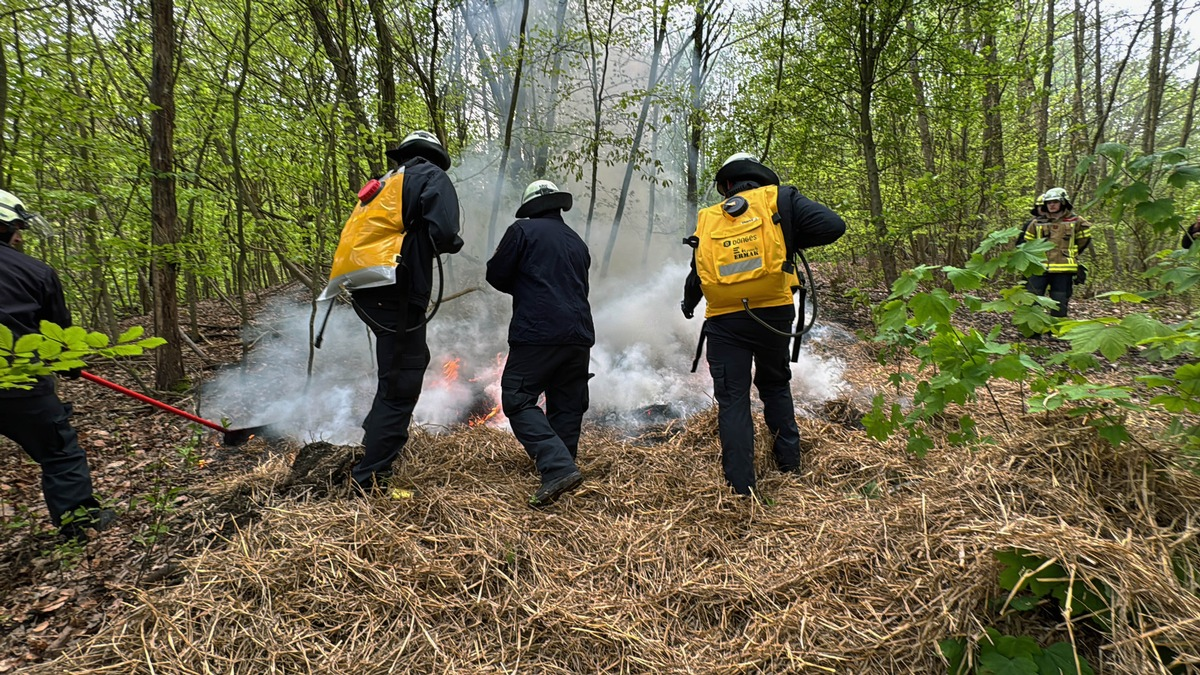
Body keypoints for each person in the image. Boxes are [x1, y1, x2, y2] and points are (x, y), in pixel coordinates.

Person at [681, 154, 846, 499]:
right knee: (774, 385)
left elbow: (698, 272)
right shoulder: (781, 200)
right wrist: (790, 238)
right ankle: (789, 466)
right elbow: (834, 226)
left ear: (726, 185)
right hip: (774, 313)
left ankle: (741, 489)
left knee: (733, 401)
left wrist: (688, 304)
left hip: (724, 320)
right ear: (760, 178)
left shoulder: (711, 218)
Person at [347, 131, 464, 492]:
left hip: (369, 290)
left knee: (398, 370)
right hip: (399, 291)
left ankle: (369, 451)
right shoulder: (431, 176)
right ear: (434, 155)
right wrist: (450, 242)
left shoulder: (387, 182)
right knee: (402, 383)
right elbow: (444, 230)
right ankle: (370, 480)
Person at [0, 189, 114, 541]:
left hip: (21, 382)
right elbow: (59, 336)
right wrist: (69, 363)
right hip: (21, 385)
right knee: (59, 452)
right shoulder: (34, 271)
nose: (20, 235)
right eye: (16, 226)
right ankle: (79, 524)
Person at [486, 180, 594, 507]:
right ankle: (563, 470)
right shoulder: (577, 242)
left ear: (530, 207)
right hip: (579, 335)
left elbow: (496, 273)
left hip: (538, 332)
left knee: (518, 398)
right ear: (557, 206)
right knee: (567, 403)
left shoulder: (522, 231)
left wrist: (525, 284)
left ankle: (558, 466)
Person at [1015, 187, 1091, 319]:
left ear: (1063, 202)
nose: (1052, 205)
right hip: (1039, 267)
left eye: (1055, 202)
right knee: (1032, 298)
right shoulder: (1036, 223)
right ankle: (1032, 331)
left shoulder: (1076, 221)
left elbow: (1083, 240)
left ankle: (1056, 332)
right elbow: (1027, 244)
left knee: (1059, 301)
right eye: (1049, 202)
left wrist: (1070, 253)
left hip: (1064, 269)